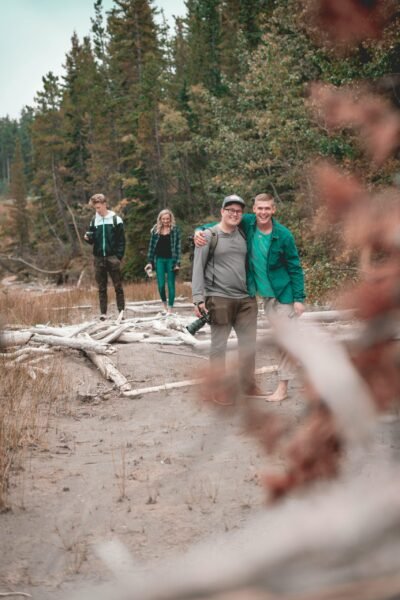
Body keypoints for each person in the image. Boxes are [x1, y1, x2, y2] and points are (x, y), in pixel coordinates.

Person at [195, 193, 305, 401]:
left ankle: (281, 387)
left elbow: (295, 267)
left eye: (267, 208)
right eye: (259, 208)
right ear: (254, 210)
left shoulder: (283, 235)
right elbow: (219, 223)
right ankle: (227, 388)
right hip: (262, 297)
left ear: (273, 210)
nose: (263, 212)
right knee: (230, 344)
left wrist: (299, 298)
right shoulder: (248, 223)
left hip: (283, 295)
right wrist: (198, 231)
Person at [192, 194, 260, 403]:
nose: (234, 214)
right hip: (219, 297)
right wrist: (198, 299)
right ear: (222, 211)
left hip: (246, 299)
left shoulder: (244, 234)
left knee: (249, 344)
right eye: (230, 210)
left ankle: (248, 385)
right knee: (219, 346)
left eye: (238, 211)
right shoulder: (208, 236)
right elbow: (197, 267)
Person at [84, 193, 125, 320]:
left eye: (99, 207)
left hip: (113, 257)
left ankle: (121, 313)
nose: (97, 210)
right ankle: (103, 314)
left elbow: (121, 241)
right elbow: (92, 239)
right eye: (95, 208)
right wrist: (87, 238)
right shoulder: (93, 220)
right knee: (101, 288)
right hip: (98, 258)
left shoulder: (116, 220)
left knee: (118, 287)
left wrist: (118, 257)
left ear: (105, 204)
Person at [145, 209, 181, 315]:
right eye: (163, 219)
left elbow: (178, 248)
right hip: (159, 260)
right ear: (160, 219)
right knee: (161, 285)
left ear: (170, 219)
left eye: (167, 219)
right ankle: (164, 305)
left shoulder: (175, 230)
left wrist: (177, 263)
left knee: (170, 285)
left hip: (171, 260)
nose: (165, 221)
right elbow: (151, 247)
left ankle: (170, 309)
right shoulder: (155, 230)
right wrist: (149, 261)